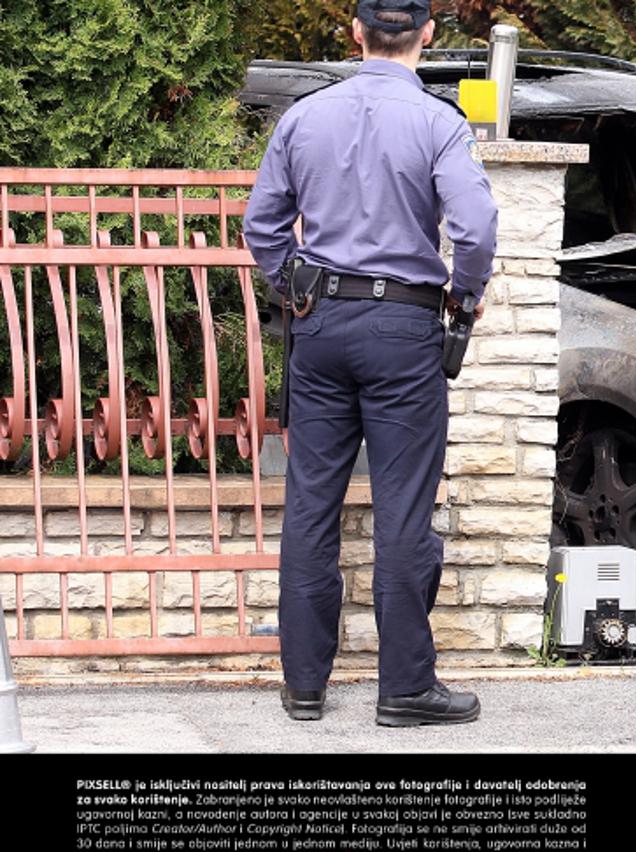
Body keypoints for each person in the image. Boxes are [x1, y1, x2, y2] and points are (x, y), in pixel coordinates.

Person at [243, 0, 498, 726]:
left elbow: (262, 224)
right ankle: (405, 689)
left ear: (354, 34)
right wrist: (466, 296)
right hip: (404, 328)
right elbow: (474, 230)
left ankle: (304, 688)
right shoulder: (440, 121)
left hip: (317, 323)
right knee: (403, 512)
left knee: (312, 505)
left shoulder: (305, 116)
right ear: (428, 36)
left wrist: (292, 283)